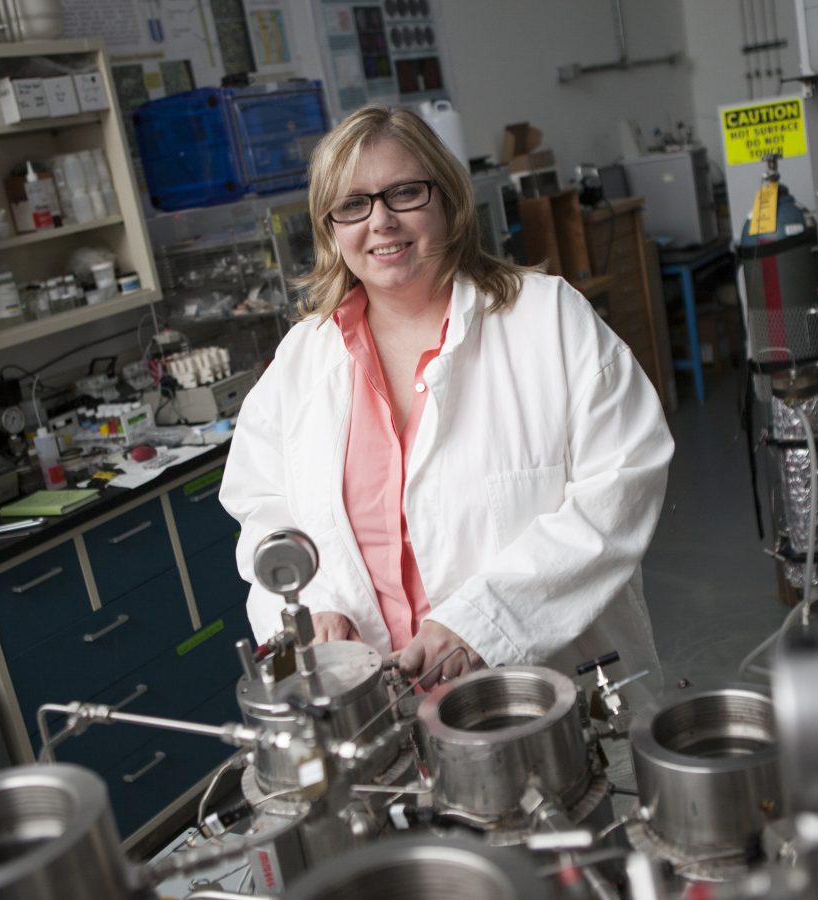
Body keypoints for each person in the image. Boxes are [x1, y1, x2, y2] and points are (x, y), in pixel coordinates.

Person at [220, 105, 674, 687]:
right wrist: (312, 602)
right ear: (331, 228)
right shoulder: (303, 360)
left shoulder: (548, 319)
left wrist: (486, 621)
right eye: (353, 205)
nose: (380, 221)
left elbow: (623, 483)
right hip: (378, 712)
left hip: (549, 703)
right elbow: (263, 508)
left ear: (449, 200)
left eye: (404, 193)